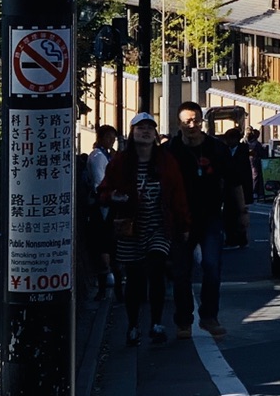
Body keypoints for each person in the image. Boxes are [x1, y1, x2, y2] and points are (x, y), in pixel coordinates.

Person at [98, 113, 190, 347]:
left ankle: (157, 323)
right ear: (132, 133)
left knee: (157, 268)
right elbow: (103, 191)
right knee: (135, 278)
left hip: (159, 224)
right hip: (130, 227)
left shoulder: (166, 162)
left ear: (156, 135)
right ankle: (132, 325)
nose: (146, 132)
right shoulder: (120, 162)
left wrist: (183, 224)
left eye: (150, 128)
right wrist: (114, 197)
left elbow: (178, 194)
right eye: (140, 128)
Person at [165, 101, 236, 338]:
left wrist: (242, 212)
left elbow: (233, 182)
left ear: (202, 121)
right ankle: (183, 320)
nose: (192, 125)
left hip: (211, 215)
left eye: (195, 120)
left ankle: (209, 316)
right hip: (179, 218)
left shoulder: (217, 148)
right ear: (179, 123)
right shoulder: (170, 150)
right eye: (187, 121)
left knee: (212, 267)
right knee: (181, 271)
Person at [84, 125, 120, 297]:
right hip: (102, 204)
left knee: (107, 242)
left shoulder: (105, 155)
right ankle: (106, 279)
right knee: (105, 243)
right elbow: (100, 182)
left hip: (107, 201)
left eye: (113, 138)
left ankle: (108, 278)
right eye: (109, 137)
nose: (112, 141)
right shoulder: (98, 156)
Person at [222, 123, 255, 248]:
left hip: (241, 185)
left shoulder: (242, 150)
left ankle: (241, 238)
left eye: (231, 138)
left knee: (240, 213)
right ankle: (231, 237)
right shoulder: (225, 150)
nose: (229, 141)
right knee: (228, 214)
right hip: (228, 186)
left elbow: (244, 171)